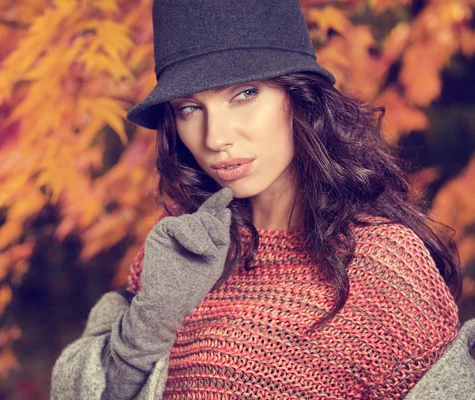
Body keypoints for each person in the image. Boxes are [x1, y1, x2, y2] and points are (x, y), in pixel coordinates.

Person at [51, 0, 475, 399]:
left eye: (245, 94)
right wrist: (149, 322)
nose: (216, 137)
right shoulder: (180, 246)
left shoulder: (382, 263)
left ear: (299, 96)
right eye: (189, 108)